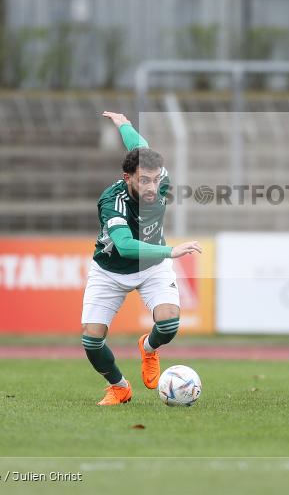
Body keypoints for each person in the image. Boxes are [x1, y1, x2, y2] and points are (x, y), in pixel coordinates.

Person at [81, 111, 202, 406]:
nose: (152, 187)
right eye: (144, 180)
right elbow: (124, 246)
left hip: (152, 267)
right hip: (110, 270)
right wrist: (170, 251)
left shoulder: (159, 179)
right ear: (128, 178)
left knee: (169, 324)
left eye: (156, 179)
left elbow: (140, 146)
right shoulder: (113, 201)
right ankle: (119, 387)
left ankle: (148, 348)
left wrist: (124, 124)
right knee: (92, 340)